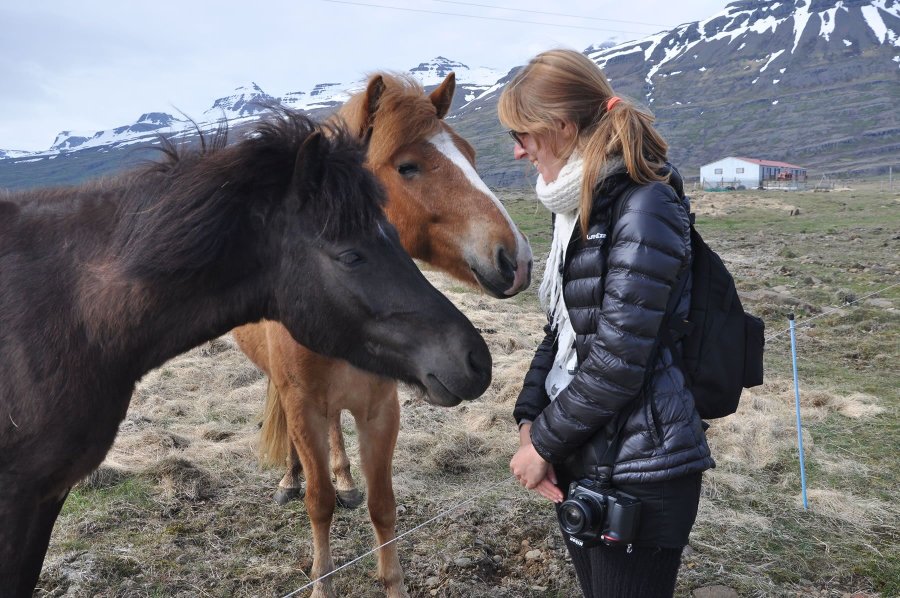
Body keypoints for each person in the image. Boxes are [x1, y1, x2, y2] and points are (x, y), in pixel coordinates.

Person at [502, 49, 715, 597]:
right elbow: (563, 328)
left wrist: (543, 444)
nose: (519, 151)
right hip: (589, 454)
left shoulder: (644, 205)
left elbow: (620, 361)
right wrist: (529, 417)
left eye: (523, 134)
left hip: (642, 469)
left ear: (564, 128)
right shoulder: (578, 210)